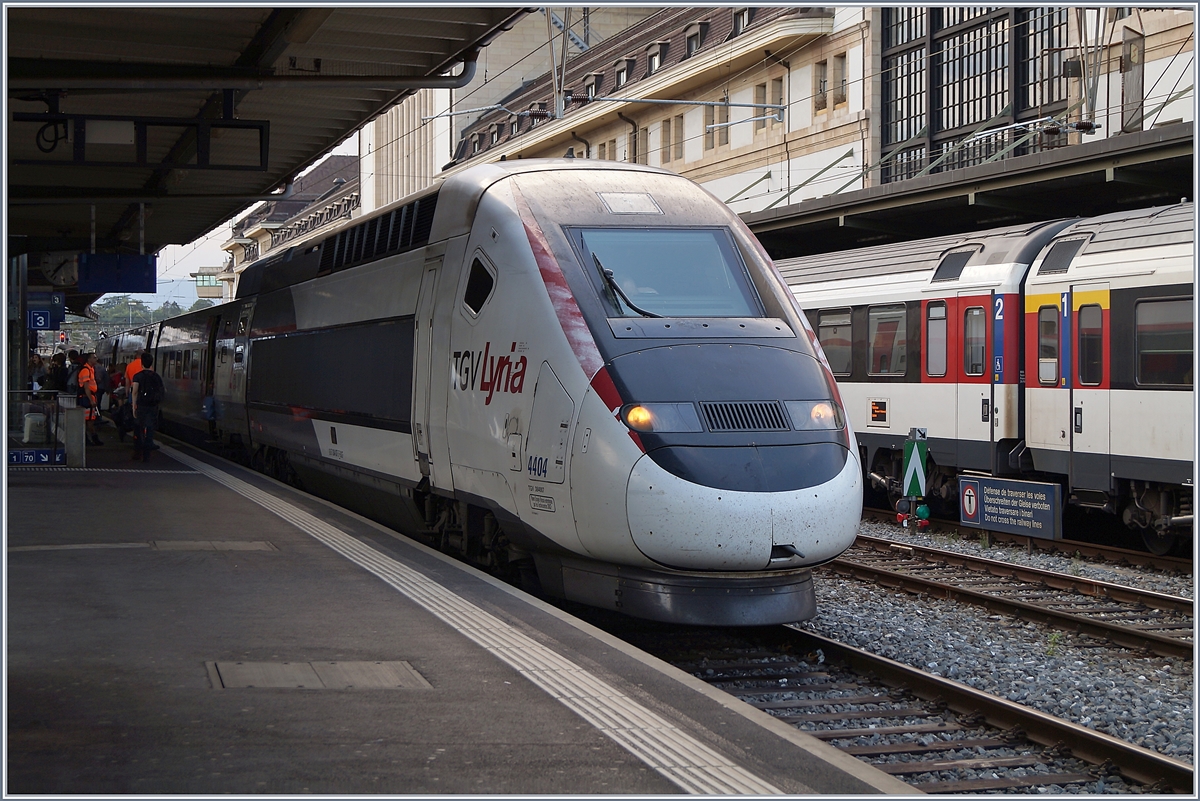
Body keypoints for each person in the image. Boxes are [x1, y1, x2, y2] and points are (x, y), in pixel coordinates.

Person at [131, 352, 164, 462]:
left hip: (141, 406)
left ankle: (138, 452)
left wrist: (133, 406)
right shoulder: (156, 376)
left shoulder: (138, 376)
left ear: (141, 363)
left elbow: (134, 392)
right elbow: (161, 391)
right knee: (150, 429)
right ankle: (147, 455)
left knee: (139, 429)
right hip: (152, 406)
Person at [78, 352, 103, 446]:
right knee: (89, 420)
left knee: (89, 419)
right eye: (94, 357)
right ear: (89, 359)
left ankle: (90, 439)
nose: (96, 359)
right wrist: (91, 400)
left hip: (88, 397)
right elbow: (86, 387)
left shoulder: (90, 369)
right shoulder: (86, 370)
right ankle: (91, 439)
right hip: (87, 398)